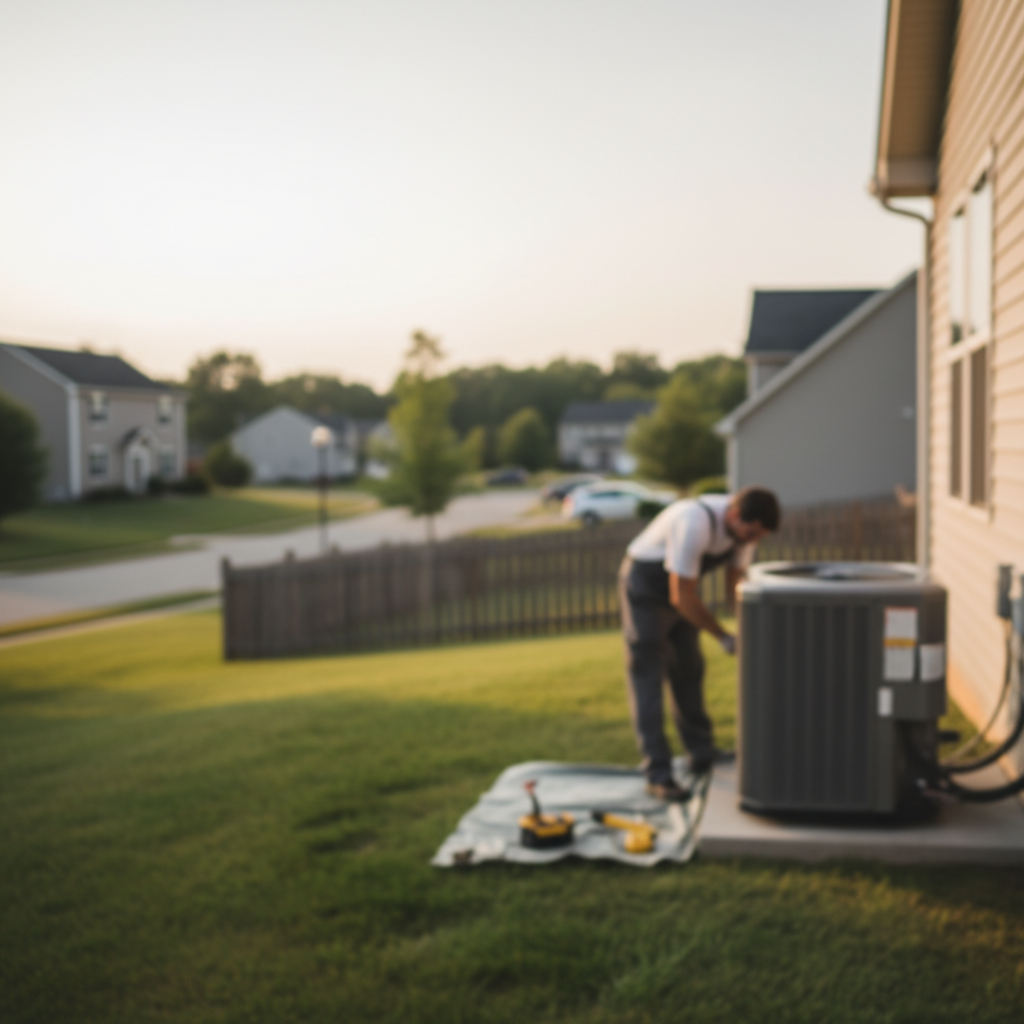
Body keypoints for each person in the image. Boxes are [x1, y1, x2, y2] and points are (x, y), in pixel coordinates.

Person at [618, 486, 781, 801]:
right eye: (751, 532)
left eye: (759, 535)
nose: (753, 540)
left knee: (689, 669)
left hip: (681, 592)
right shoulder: (693, 521)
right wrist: (723, 636)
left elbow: (736, 583)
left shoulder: (742, 533)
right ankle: (658, 774)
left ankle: (701, 752)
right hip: (646, 590)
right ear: (734, 516)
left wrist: (747, 632)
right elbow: (681, 595)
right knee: (649, 677)